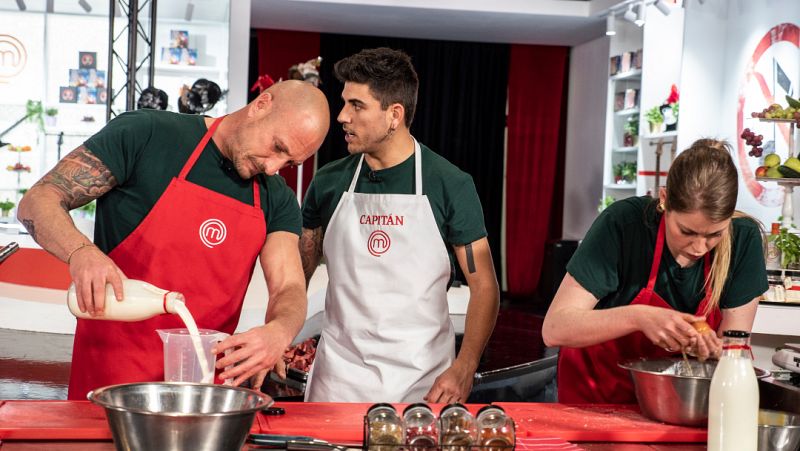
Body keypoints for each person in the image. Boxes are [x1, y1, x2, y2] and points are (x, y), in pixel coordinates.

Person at [17, 80, 330, 400]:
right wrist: (81, 251)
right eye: (278, 147)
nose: (272, 167)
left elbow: (288, 287)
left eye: (289, 163)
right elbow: (39, 200)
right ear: (261, 105)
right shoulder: (148, 134)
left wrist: (280, 331)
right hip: (110, 384)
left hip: (202, 393)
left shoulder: (275, 197)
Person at [299, 47, 500, 403]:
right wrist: (277, 336)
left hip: (423, 383)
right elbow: (296, 278)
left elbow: (484, 287)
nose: (342, 116)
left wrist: (465, 366)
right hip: (337, 381)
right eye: (344, 102)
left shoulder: (449, 183)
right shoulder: (328, 183)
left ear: (395, 114)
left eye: (357, 105)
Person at [542, 139, 768, 404]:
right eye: (686, 231)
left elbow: (735, 350)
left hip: (676, 403)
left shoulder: (744, 238)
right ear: (664, 199)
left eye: (714, 235)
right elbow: (555, 328)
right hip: (596, 397)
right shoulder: (624, 224)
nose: (698, 247)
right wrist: (638, 317)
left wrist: (714, 349)